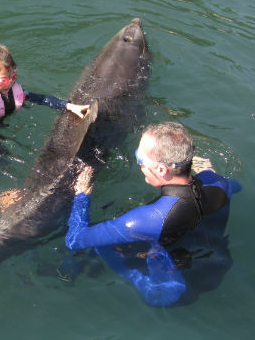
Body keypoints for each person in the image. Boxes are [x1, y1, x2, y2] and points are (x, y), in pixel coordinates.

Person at [65, 122, 241, 306]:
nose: (138, 164)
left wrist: (81, 194)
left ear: (161, 170)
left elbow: (75, 240)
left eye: (139, 159)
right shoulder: (220, 183)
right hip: (216, 266)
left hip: (170, 292)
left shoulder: (144, 220)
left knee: (101, 245)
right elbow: (234, 186)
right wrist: (208, 172)